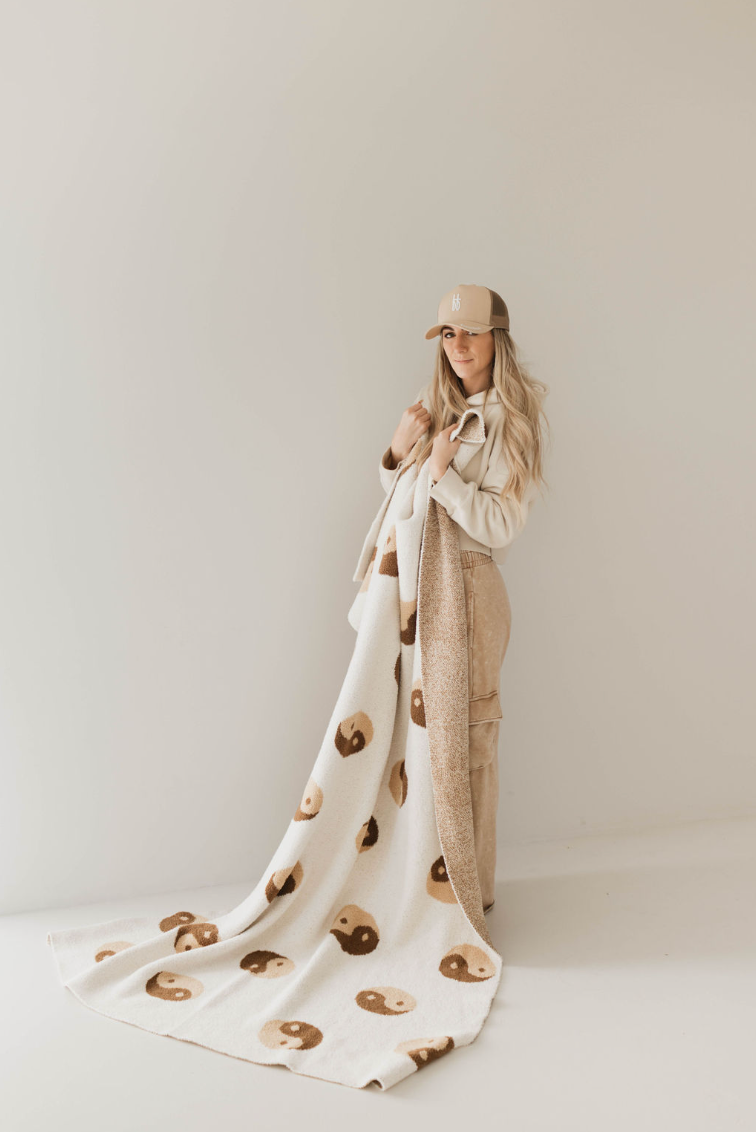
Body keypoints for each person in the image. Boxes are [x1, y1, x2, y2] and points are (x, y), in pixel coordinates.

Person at [379, 283, 549, 914]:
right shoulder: (439, 411)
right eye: (449, 334)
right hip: (428, 590)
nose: (459, 346)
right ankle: (431, 891)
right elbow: (405, 501)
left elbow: (501, 525)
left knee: (471, 741)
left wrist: (444, 474)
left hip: (472, 592)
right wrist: (401, 449)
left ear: (497, 339)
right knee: (427, 740)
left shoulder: (510, 423)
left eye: (472, 333)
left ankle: (471, 903)